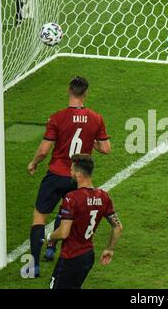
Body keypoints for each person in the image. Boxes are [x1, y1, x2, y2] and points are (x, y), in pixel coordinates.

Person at [27, 76, 111, 277]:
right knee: (66, 214)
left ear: (69, 90)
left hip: (56, 174)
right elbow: (106, 149)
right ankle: (51, 248)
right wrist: (89, 141)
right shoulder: (96, 118)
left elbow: (43, 151)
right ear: (86, 93)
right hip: (78, 178)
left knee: (39, 217)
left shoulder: (57, 117)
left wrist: (34, 163)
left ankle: (33, 266)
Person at [47, 154, 122, 289]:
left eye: (71, 170)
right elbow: (117, 227)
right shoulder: (103, 197)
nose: (70, 172)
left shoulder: (71, 198)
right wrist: (109, 249)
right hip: (88, 256)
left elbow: (64, 233)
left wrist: (50, 237)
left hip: (70, 257)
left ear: (78, 175)